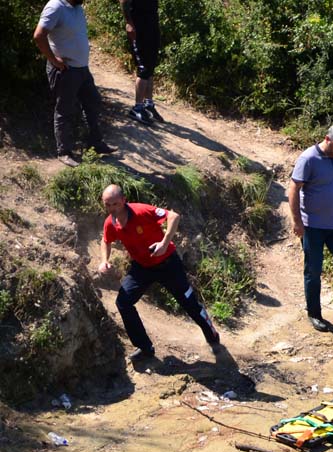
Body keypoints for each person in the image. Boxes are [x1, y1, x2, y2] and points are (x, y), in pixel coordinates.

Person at [98, 184, 219, 359]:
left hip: (167, 264)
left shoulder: (141, 211)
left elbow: (173, 216)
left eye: (114, 204)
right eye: (107, 205)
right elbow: (105, 240)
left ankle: (213, 338)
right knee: (123, 303)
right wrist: (104, 261)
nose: (111, 208)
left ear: (124, 200)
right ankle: (145, 348)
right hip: (142, 267)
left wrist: (164, 242)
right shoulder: (111, 222)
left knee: (189, 304)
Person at [288, 124, 333, 332]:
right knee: (313, 271)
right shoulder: (308, 158)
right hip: (313, 226)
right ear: (327, 139)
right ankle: (314, 314)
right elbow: (293, 188)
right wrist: (296, 221)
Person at [33, 0, 116, 167]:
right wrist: (54, 60)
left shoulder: (78, 8)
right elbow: (39, 35)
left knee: (93, 103)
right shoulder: (55, 6)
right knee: (64, 110)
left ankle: (95, 143)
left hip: (82, 69)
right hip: (65, 71)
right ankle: (64, 152)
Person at [119, 0, 163, 125]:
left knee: (151, 66)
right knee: (143, 68)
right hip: (138, 27)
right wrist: (129, 23)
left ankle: (148, 104)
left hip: (152, 24)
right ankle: (137, 108)